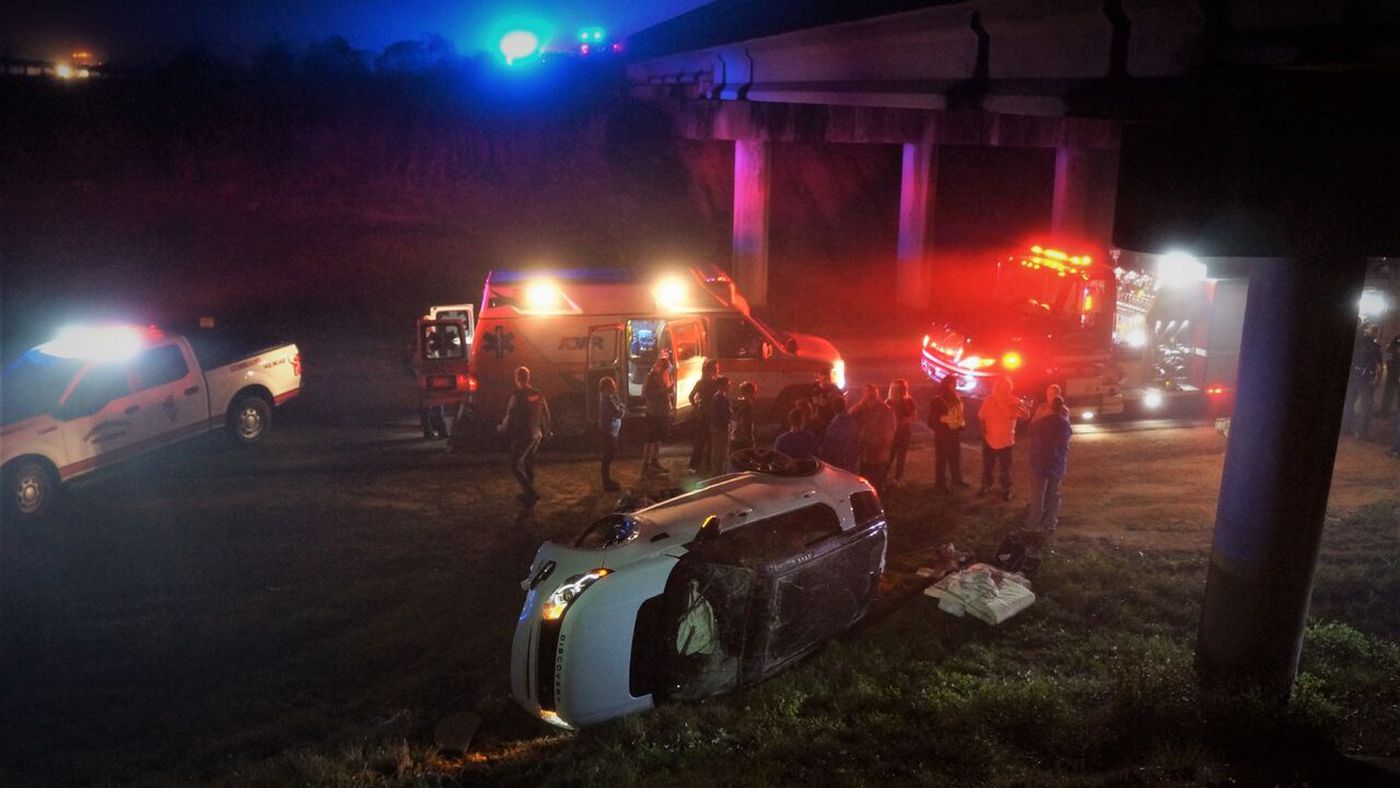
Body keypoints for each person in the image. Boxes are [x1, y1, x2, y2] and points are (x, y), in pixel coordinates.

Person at [499, 366, 551, 506]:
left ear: (517, 379)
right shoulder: (537, 394)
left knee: (514, 465)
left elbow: (510, 417)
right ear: (528, 377)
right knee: (528, 463)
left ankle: (530, 492)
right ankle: (529, 492)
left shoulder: (517, 396)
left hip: (524, 435)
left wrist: (502, 428)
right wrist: (546, 430)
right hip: (537, 435)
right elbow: (546, 414)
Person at [978, 376, 1028, 501]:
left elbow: (1025, 415)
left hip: (1006, 441)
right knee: (988, 465)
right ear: (997, 387)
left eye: (1006, 387)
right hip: (989, 440)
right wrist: (984, 433)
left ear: (1009, 388)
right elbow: (981, 417)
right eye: (1001, 387)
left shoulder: (1014, 401)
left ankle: (1006, 489)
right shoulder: (989, 400)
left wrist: (1020, 409)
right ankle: (985, 485)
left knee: (1006, 467)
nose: (1003, 390)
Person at [1026, 396, 1072, 530]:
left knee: (1038, 493)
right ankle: (1050, 522)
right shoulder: (1065, 425)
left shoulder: (1041, 423)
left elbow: (1030, 433)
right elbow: (1066, 442)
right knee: (1053, 493)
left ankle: (1034, 522)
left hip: (1040, 463)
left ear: (1050, 407)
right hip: (1057, 464)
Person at [928, 375, 968, 492]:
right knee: (942, 460)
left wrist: (960, 422)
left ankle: (957, 480)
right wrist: (945, 419)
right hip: (942, 434)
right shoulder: (938, 400)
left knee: (955, 458)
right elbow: (932, 420)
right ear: (947, 384)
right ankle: (940, 483)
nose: (955, 385)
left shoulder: (956, 397)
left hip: (954, 433)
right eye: (953, 383)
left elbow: (959, 414)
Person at [852, 383, 896, 490]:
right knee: (863, 475)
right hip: (864, 448)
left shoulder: (885, 409)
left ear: (877, 394)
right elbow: (849, 415)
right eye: (867, 394)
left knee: (876, 475)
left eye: (872, 394)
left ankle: (876, 494)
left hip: (878, 448)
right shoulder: (861, 408)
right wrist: (860, 404)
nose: (869, 397)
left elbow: (890, 428)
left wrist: (885, 444)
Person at [1343, 325, 1382, 439]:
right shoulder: (1374, 347)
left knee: (1349, 402)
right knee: (1366, 406)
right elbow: (1379, 366)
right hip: (1365, 378)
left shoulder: (1358, 342)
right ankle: (1361, 432)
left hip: (1354, 376)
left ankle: (1346, 427)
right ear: (1375, 334)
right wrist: (1376, 380)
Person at [641, 357, 673, 477]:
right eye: (663, 367)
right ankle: (646, 463)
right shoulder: (651, 377)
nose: (665, 370)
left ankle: (654, 461)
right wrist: (664, 391)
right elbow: (645, 393)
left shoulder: (664, 376)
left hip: (662, 412)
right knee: (650, 439)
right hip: (653, 412)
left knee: (658, 438)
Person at [687, 360, 720, 472]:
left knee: (703, 441)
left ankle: (695, 466)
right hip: (709, 415)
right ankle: (705, 465)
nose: (716, 371)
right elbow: (691, 396)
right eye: (714, 369)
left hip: (705, 414)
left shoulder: (701, 382)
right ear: (710, 370)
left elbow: (691, 397)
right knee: (706, 441)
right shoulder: (714, 383)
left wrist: (697, 406)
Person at [885, 379, 917, 487]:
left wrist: (906, 420)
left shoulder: (908, 400)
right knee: (890, 456)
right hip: (893, 434)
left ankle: (897, 478)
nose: (902, 390)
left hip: (905, 432)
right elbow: (887, 420)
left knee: (901, 456)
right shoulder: (889, 403)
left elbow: (914, 415)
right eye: (899, 388)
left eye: (903, 388)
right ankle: (882, 478)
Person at [818, 394, 860, 472]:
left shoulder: (834, 425)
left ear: (833, 408)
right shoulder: (853, 421)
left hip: (838, 464)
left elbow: (828, 445)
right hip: (851, 463)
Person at [598, 376, 624, 492]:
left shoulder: (606, 398)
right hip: (610, 432)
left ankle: (607, 481)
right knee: (607, 457)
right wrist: (622, 407)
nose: (615, 388)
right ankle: (607, 482)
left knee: (607, 457)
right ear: (607, 387)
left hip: (608, 431)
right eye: (612, 385)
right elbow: (618, 413)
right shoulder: (608, 399)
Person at [707, 376, 733, 475]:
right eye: (728, 384)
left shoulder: (719, 397)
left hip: (718, 426)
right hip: (720, 427)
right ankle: (718, 471)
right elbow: (722, 414)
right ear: (721, 385)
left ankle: (718, 470)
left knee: (719, 450)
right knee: (720, 450)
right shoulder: (719, 398)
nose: (729, 386)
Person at [730, 381, 758, 453]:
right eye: (753, 392)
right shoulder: (746, 406)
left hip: (735, 437)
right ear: (748, 393)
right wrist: (749, 438)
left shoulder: (738, 404)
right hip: (743, 439)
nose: (755, 394)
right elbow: (745, 422)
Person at [1379, 334, 1400, 418]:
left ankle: (1385, 412)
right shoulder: (1394, 344)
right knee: (1389, 392)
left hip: (1394, 371)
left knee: (1390, 392)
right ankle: (1385, 412)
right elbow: (1388, 355)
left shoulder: (1393, 343)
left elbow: (1388, 355)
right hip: (1394, 371)